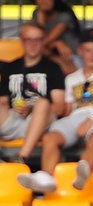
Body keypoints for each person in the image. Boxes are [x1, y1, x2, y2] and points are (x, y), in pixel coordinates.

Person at [16, 28, 93, 195]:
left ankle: (83, 170)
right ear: (80, 51)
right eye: (87, 51)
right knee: (51, 137)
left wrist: (92, 119)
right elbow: (67, 110)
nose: (92, 55)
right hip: (75, 118)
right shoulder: (71, 78)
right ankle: (46, 178)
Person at [0, 21, 66, 164]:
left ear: (44, 42)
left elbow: (60, 107)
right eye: (28, 39)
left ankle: (21, 157)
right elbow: (3, 100)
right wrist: (10, 106)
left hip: (42, 123)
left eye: (38, 39)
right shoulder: (9, 68)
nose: (33, 44)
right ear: (21, 41)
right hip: (14, 119)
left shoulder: (53, 68)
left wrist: (32, 110)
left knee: (42, 103)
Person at [32, 0, 81, 75]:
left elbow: (44, 40)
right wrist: (57, 43)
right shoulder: (37, 14)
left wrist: (55, 43)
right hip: (50, 56)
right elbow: (38, 41)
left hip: (71, 57)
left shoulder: (64, 16)